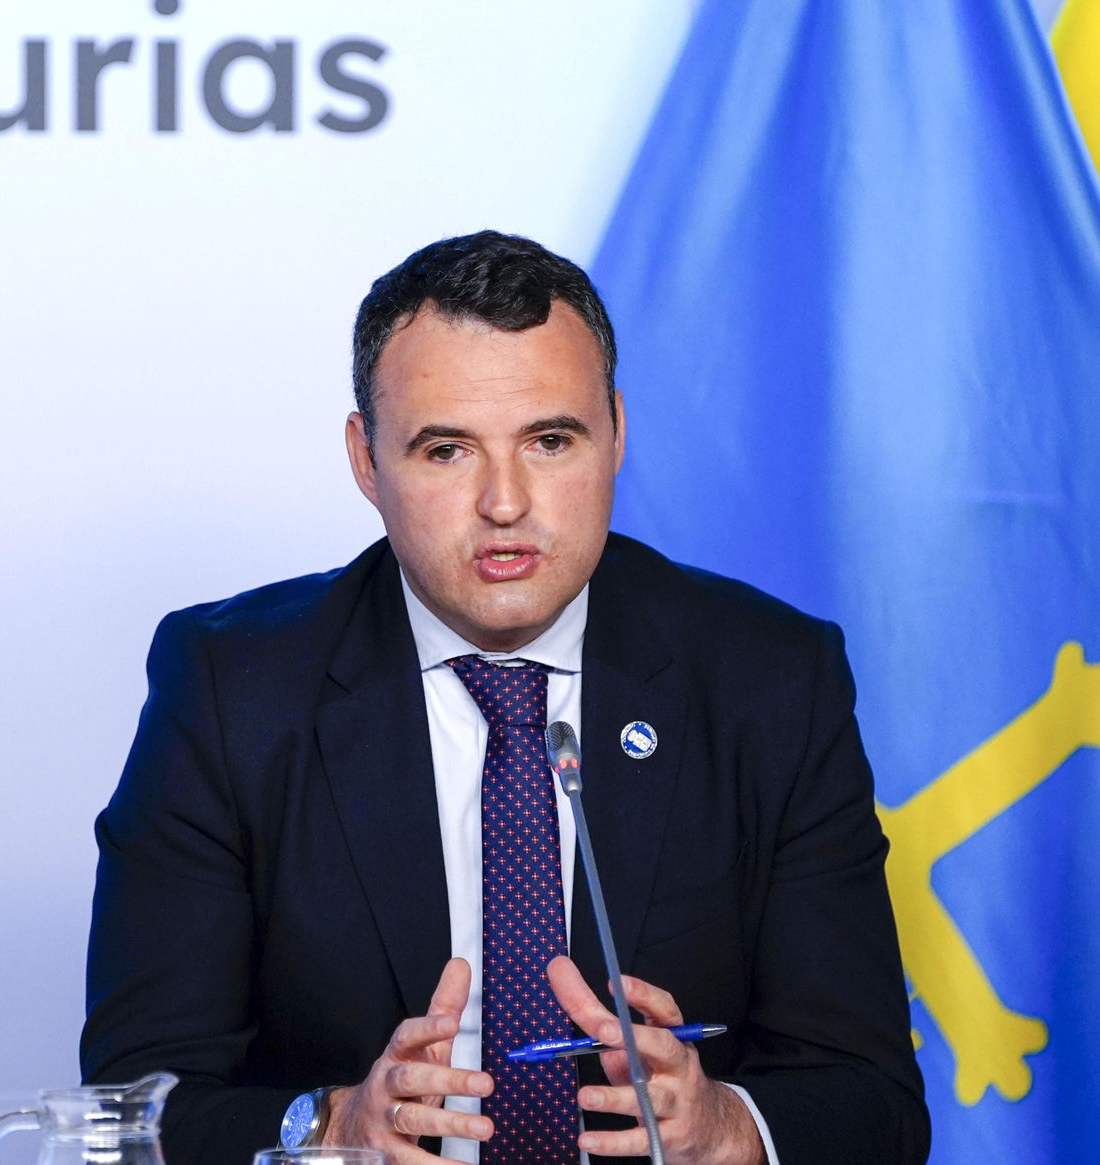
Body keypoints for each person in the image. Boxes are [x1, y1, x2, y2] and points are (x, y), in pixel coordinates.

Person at [80, 231, 929, 1165]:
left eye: (551, 440)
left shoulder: (769, 678)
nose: (506, 501)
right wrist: (329, 1127)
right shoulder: (230, 686)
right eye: (447, 450)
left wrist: (725, 1126)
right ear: (367, 461)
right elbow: (135, 1104)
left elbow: (873, 1102)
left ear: (614, 430)